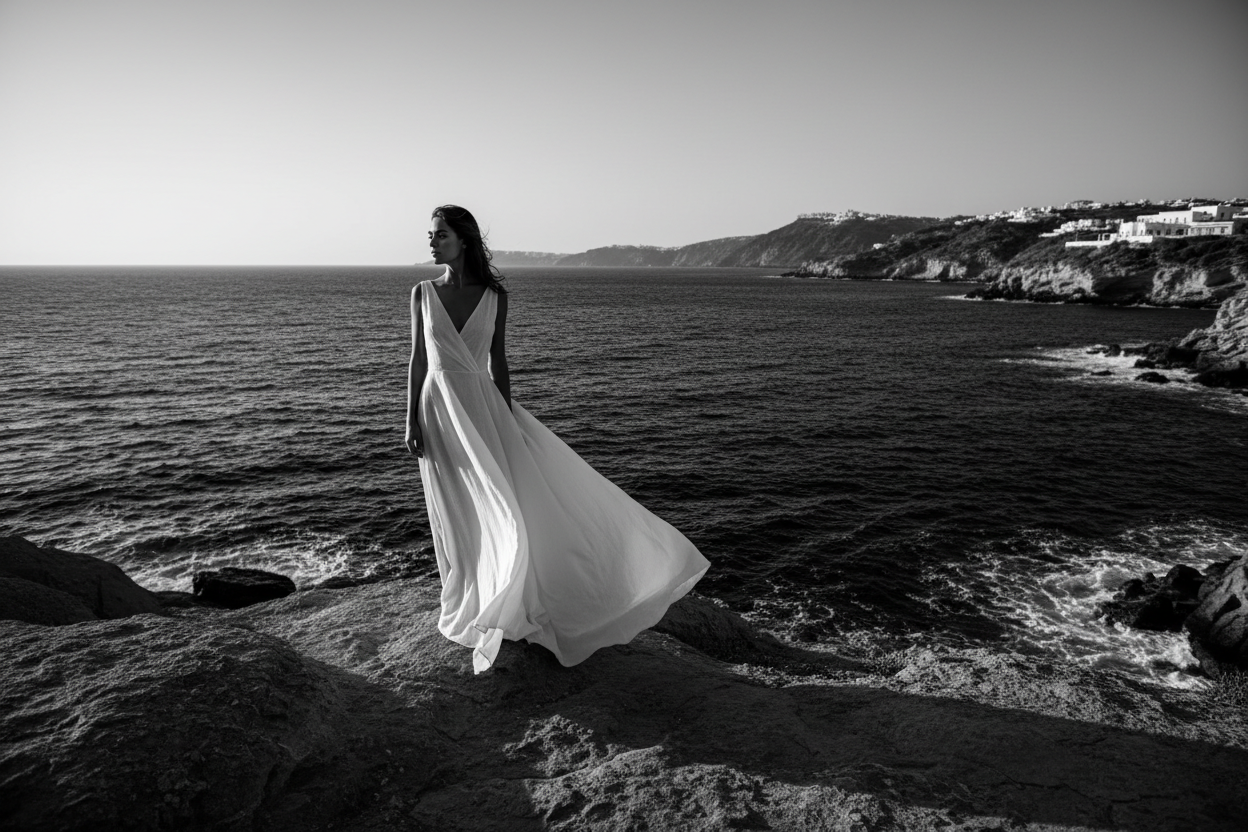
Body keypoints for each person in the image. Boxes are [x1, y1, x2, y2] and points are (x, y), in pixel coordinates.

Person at [406, 205, 709, 672]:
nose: (431, 242)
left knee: (505, 507)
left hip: (483, 410)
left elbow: (497, 364)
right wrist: (411, 420)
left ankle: (507, 601)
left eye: (440, 234)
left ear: (462, 239)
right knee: (459, 508)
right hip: (440, 412)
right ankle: (472, 597)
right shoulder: (422, 293)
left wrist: (507, 421)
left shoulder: (493, 295)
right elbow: (418, 362)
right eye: (430, 235)